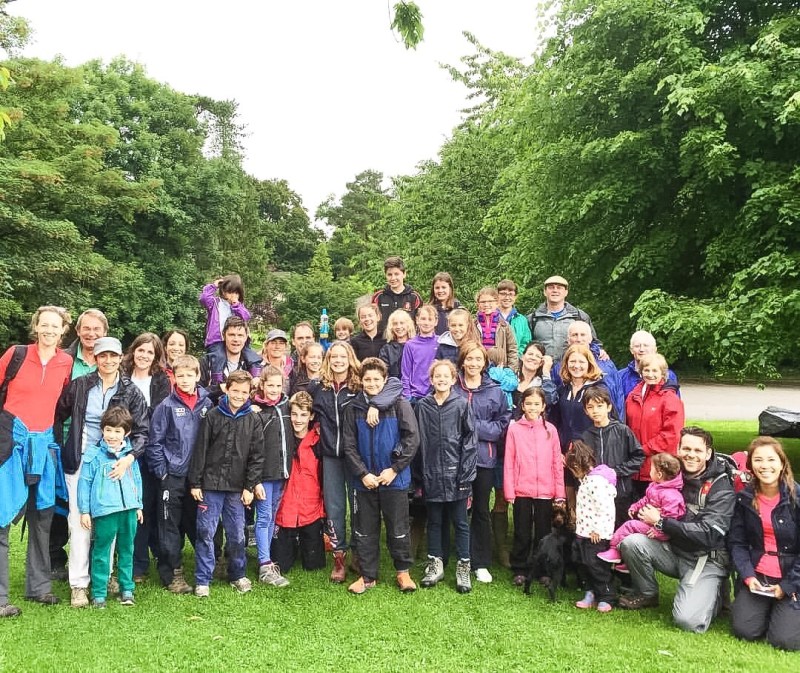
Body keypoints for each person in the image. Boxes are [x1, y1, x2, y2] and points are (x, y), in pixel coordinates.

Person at [54, 336, 149, 608]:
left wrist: (129, 458)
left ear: (120, 358)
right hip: (82, 462)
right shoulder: (80, 385)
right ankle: (79, 585)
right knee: (80, 523)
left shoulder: (131, 392)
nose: (108, 360)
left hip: (116, 463)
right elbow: (58, 415)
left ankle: (104, 579)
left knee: (110, 524)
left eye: (113, 355)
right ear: (95, 358)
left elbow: (142, 431)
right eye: (102, 355)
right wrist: (62, 445)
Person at [619, 426, 736, 633]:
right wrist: (643, 511)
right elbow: (651, 502)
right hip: (674, 549)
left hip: (704, 557)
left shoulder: (721, 486)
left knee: (687, 621)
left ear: (708, 453)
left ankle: (716, 593)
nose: (691, 455)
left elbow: (709, 534)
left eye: (698, 450)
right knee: (630, 542)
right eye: (686, 449)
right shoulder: (672, 474)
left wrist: (661, 522)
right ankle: (647, 594)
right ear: (678, 449)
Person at [0, 306, 73, 617]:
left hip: (44, 447)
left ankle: (39, 587)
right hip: (10, 444)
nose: (49, 330)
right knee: (1, 519)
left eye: (55, 326)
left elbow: (61, 404)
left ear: (63, 330)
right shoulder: (15, 354)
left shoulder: (66, 362)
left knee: (42, 518)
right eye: (44, 325)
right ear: (36, 326)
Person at [342, 358, 419, 594]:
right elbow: (349, 446)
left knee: (398, 527)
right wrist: (363, 473)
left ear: (385, 380)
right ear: (361, 381)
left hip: (394, 479)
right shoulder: (353, 408)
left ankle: (403, 572)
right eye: (368, 379)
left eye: (377, 379)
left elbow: (412, 439)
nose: (372, 383)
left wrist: (394, 469)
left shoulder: (400, 405)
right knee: (365, 530)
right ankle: (368, 576)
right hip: (364, 482)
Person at [188, 370, 264, 598]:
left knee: (237, 534)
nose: (239, 395)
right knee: (205, 532)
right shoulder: (212, 416)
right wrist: (195, 482)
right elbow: (200, 450)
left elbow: (257, 457)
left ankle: (237, 574)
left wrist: (249, 487)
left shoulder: (253, 419)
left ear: (249, 393)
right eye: (235, 390)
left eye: (244, 392)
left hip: (237, 489)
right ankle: (203, 578)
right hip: (210, 486)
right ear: (227, 389)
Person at [146, 354, 213, 594]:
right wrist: (162, 473)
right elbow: (154, 442)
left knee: (200, 522)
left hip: (198, 477)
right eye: (180, 375)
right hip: (172, 476)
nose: (184, 380)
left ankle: (208, 565)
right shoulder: (166, 406)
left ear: (198, 376)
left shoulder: (207, 404)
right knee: (169, 525)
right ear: (173, 377)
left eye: (189, 375)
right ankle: (172, 572)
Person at [51, 308, 109, 577]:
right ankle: (55, 559)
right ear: (77, 331)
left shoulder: (109, 360)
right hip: (64, 439)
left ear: (105, 332)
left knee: (97, 506)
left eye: (97, 329)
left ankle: (97, 564)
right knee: (62, 503)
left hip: (99, 444)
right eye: (86, 328)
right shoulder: (64, 359)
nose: (91, 333)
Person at [729, 436, 800, 651]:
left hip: (793, 577)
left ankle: (785, 609)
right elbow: (737, 542)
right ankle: (770, 609)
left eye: (771, 459)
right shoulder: (744, 498)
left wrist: (787, 587)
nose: (765, 465)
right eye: (758, 460)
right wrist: (748, 576)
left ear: (782, 463)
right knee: (744, 630)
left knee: (785, 641)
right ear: (751, 465)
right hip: (759, 576)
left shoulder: (797, 498)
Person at [416, 360, 477, 593]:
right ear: (431, 380)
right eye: (437, 376)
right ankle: (435, 564)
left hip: (456, 475)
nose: (441, 379)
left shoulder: (461, 404)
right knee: (434, 521)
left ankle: (463, 567)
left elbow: (470, 441)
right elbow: (418, 440)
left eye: (446, 376)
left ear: (453, 379)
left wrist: (465, 473)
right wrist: (419, 475)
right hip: (431, 474)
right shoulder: (423, 406)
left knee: (460, 522)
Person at [453, 342, 511, 583]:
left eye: (478, 359)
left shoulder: (495, 390)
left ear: (485, 363)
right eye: (469, 358)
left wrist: (472, 427)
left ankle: (481, 562)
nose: (473, 363)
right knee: (456, 508)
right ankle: (458, 557)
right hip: (454, 458)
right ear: (462, 361)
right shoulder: (453, 386)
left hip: (483, 458)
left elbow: (502, 424)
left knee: (480, 510)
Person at [77, 406, 143, 608]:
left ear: (126, 433)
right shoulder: (94, 454)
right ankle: (99, 593)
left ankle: (127, 589)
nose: (112, 435)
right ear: (102, 430)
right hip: (105, 511)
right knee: (102, 551)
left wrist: (138, 505)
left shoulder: (130, 456)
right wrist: (85, 510)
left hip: (129, 510)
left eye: (117, 431)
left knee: (127, 549)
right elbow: (84, 483)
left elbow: (137, 480)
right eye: (108, 430)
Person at [121, 332, 171, 581]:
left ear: (156, 356)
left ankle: (143, 562)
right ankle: (132, 561)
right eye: (141, 350)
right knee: (129, 506)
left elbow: (158, 415)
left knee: (146, 506)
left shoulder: (161, 380)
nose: (144, 355)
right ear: (134, 351)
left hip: (150, 449)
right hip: (122, 447)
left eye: (150, 352)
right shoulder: (122, 375)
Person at [504, 387, 564, 586]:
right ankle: (520, 567)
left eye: (537, 404)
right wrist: (509, 490)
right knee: (521, 531)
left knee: (543, 532)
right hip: (522, 488)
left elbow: (556, 462)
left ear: (543, 406)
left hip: (545, 490)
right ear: (522, 405)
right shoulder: (514, 429)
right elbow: (509, 460)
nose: (532, 407)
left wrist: (559, 492)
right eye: (528, 403)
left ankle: (543, 569)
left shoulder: (550, 430)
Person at [598, 453, 684, 570]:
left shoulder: (671, 495)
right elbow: (646, 499)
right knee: (632, 534)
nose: (649, 471)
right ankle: (630, 562)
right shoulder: (656, 487)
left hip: (659, 531)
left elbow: (671, 518)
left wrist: (659, 532)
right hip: (651, 525)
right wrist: (635, 507)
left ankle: (614, 551)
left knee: (629, 526)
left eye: (651, 469)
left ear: (659, 474)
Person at [271, 392, 326, 575]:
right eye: (294, 414)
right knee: (281, 565)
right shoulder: (282, 437)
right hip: (284, 510)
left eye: (303, 415)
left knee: (314, 565)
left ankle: (305, 541)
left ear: (311, 416)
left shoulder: (318, 441)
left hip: (311, 509)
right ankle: (291, 543)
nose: (298, 420)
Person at [252, 365, 293, 588]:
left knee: (272, 517)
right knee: (264, 517)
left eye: (278, 385)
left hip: (281, 472)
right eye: (270, 385)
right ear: (262, 385)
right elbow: (252, 448)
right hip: (263, 474)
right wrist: (255, 479)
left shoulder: (287, 405)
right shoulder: (256, 410)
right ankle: (264, 564)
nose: (274, 389)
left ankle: (266, 559)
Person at [580, 387, 644, 528]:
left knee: (620, 530)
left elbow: (638, 457)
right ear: (585, 411)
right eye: (590, 407)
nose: (595, 411)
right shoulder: (586, 436)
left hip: (621, 493)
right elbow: (583, 465)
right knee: (600, 532)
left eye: (599, 406)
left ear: (608, 407)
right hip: (596, 497)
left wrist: (616, 471)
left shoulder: (622, 431)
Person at [565, 440, 617, 613]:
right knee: (583, 562)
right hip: (583, 532)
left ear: (579, 465)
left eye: (573, 469)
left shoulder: (596, 482)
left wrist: (598, 530)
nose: (573, 474)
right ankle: (590, 592)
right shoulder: (586, 480)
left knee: (596, 564)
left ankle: (607, 595)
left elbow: (605, 508)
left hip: (595, 534)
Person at [626, 353, 684, 500]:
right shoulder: (633, 395)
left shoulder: (670, 399)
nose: (650, 374)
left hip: (658, 468)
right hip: (634, 467)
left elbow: (671, 435)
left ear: (662, 373)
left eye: (654, 370)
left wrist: (643, 450)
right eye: (646, 370)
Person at [551, 321, 623, 417]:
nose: (579, 339)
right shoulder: (559, 368)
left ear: (590, 338)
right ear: (568, 339)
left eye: (583, 335)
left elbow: (617, 397)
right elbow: (554, 405)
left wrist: (619, 423)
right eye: (574, 335)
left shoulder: (606, 365)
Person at [527, 275, 598, 361]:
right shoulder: (533, 318)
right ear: (545, 292)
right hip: (542, 367)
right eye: (551, 287)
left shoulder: (579, 316)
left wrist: (600, 351)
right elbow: (525, 345)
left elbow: (594, 342)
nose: (555, 290)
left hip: (571, 367)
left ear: (566, 292)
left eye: (559, 288)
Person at [200, 316, 262, 404]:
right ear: (224, 335)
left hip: (244, 410)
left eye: (240, 335)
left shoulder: (255, 365)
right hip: (214, 409)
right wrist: (218, 389)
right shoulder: (208, 361)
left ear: (246, 337)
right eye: (231, 335)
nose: (236, 339)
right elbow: (196, 393)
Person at [618, 330, 678, 399]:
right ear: (631, 350)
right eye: (637, 346)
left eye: (646, 345)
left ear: (655, 349)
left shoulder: (668, 375)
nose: (641, 349)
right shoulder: (620, 376)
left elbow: (674, 402)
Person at [371, 255, 423, 333]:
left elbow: (420, 323)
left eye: (396, 274)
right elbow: (372, 321)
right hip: (383, 339)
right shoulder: (378, 297)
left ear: (404, 274)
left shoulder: (415, 297)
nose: (393, 278)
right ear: (385, 275)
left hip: (408, 339)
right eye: (389, 274)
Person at [199, 274, 251, 349]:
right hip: (216, 341)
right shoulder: (215, 303)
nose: (233, 296)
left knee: (248, 354)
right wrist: (214, 286)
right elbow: (204, 298)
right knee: (217, 355)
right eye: (230, 292)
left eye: (236, 293)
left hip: (235, 342)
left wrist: (236, 305)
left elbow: (246, 317)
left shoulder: (239, 306)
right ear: (223, 292)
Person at [401, 304, 439, 402]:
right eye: (423, 319)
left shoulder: (440, 343)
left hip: (436, 395)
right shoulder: (410, 345)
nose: (426, 323)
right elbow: (405, 373)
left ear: (436, 322)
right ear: (417, 320)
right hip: (415, 396)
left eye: (430, 319)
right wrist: (407, 396)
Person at [475, 286, 518, 370]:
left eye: (490, 301)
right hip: (478, 368)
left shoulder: (505, 326)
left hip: (500, 369)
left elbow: (512, 350)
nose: (486, 304)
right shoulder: (473, 325)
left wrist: (510, 371)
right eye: (483, 302)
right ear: (478, 304)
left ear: (497, 303)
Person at [512, 342, 556, 415]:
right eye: (530, 354)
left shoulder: (543, 383)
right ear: (522, 357)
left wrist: (546, 372)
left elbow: (549, 401)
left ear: (541, 363)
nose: (533, 358)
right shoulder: (510, 377)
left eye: (538, 356)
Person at [497, 279, 531, 356]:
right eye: (503, 294)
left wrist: (516, 357)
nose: (507, 297)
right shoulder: (490, 317)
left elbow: (526, 343)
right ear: (497, 295)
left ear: (515, 297)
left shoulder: (522, 320)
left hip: (516, 360)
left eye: (511, 294)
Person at [379, 309, 415, 380]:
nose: (398, 327)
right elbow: (384, 373)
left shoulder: (416, 346)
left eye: (402, 323)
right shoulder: (386, 349)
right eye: (395, 324)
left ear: (408, 325)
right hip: (393, 384)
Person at [429, 271, 460, 336]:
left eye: (443, 287)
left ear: (450, 288)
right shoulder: (428, 310)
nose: (440, 291)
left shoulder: (459, 309)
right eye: (437, 288)